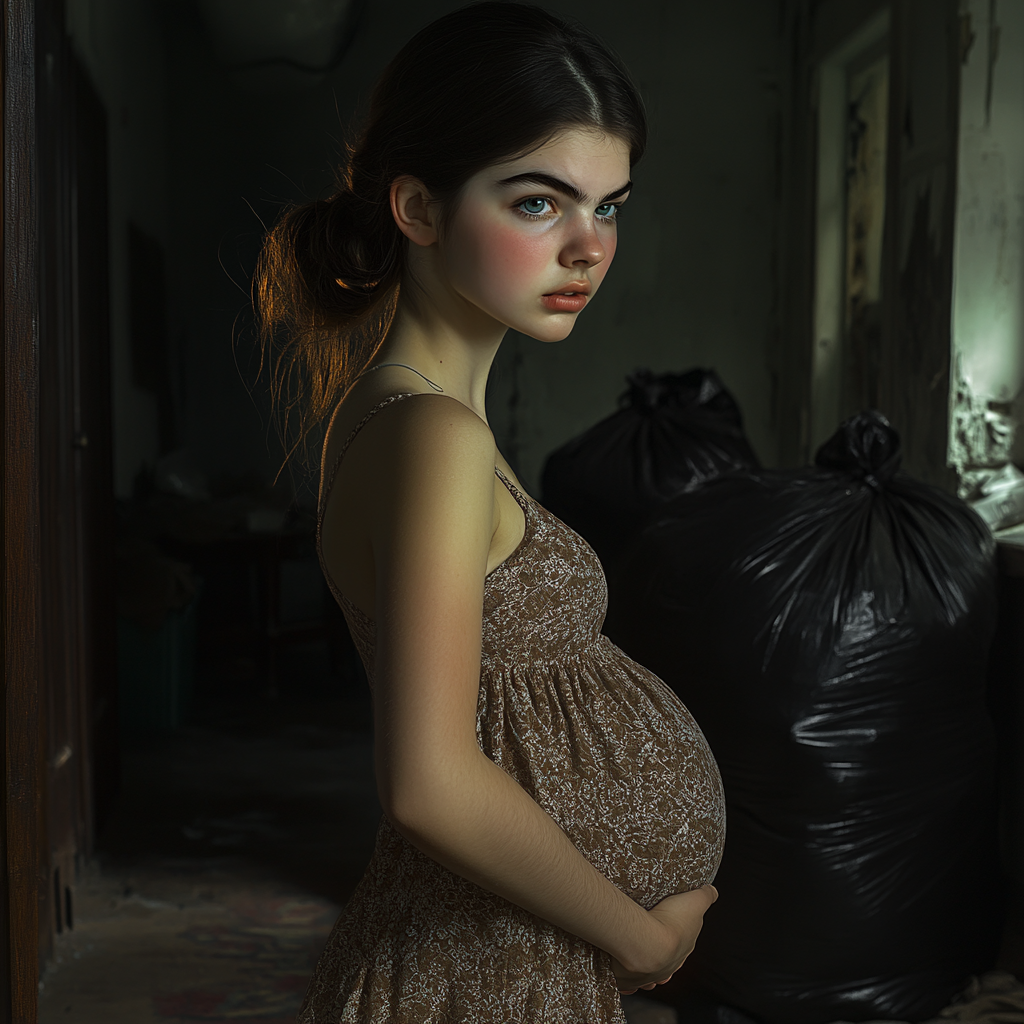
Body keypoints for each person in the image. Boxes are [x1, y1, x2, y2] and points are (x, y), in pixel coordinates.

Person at [255, 4, 725, 1021]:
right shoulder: (432, 434)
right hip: (470, 971)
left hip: (514, 962)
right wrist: (644, 934)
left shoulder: (427, 415)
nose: (586, 248)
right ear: (417, 207)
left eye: (608, 207)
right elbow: (426, 779)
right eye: (536, 204)